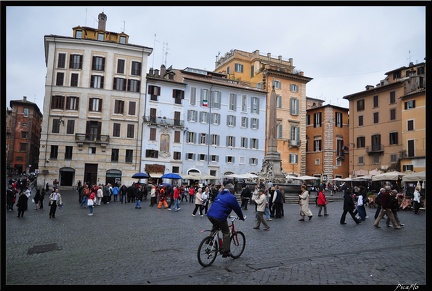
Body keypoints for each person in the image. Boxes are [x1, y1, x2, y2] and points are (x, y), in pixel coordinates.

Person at [207, 183, 245, 258]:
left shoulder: (220, 194)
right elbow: (237, 209)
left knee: (215, 226)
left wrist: (227, 214)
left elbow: (220, 205)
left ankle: (209, 240)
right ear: (232, 190)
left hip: (210, 214)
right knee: (226, 232)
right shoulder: (232, 197)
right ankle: (226, 251)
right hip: (220, 216)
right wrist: (241, 217)